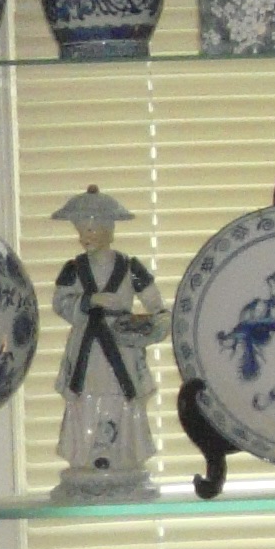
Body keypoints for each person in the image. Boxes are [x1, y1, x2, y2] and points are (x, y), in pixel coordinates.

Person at [48, 187, 158, 494]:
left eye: (92, 229)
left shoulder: (131, 268)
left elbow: (154, 304)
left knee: (122, 395)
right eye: (81, 230)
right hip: (88, 347)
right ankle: (86, 453)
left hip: (121, 345)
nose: (85, 237)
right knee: (85, 396)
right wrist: (89, 300)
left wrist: (151, 322)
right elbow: (61, 303)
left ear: (109, 230)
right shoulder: (74, 270)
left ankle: (123, 454)